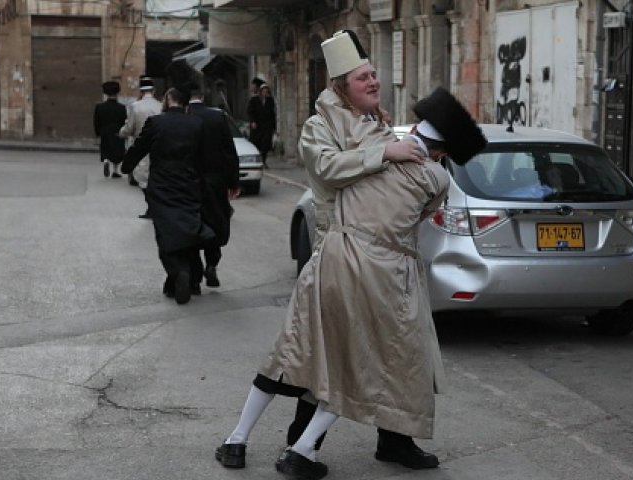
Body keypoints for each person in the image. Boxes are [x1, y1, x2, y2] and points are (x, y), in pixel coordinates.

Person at [214, 30, 487, 480]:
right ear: (343, 84)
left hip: (372, 257)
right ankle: (300, 447)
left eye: (375, 73)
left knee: (375, 355)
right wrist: (389, 151)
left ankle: (382, 439)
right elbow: (326, 170)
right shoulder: (323, 126)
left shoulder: (376, 123)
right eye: (364, 77)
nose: (374, 82)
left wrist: (392, 147)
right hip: (343, 250)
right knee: (330, 357)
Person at [120, 87, 216, 305]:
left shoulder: (156, 123)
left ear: (167, 101)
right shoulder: (197, 124)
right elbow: (205, 158)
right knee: (188, 228)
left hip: (162, 186)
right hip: (190, 185)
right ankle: (190, 278)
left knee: (166, 233)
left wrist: (126, 167)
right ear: (186, 104)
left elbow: (138, 148)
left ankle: (178, 272)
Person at [187, 88, 241, 288]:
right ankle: (211, 263)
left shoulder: (182, 116)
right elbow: (229, 151)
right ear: (203, 96)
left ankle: (195, 273)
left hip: (189, 182)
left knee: (191, 225)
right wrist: (233, 182)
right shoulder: (217, 117)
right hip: (215, 181)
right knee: (215, 222)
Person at [119, 76, 162, 218]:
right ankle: (155, 207)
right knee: (157, 177)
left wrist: (122, 133)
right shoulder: (161, 106)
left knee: (143, 179)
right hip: (159, 147)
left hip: (141, 146)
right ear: (154, 90)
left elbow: (129, 128)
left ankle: (152, 207)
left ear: (141, 91)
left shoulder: (135, 107)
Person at [93, 81, 127, 179]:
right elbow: (124, 121)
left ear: (105, 93)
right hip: (117, 131)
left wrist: (98, 133)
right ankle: (115, 171)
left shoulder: (99, 107)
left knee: (105, 149)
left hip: (104, 131)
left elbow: (96, 121)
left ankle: (106, 161)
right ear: (117, 93)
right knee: (117, 151)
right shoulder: (121, 108)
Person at [246, 82, 276, 168]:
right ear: (260, 91)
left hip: (267, 126)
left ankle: (263, 161)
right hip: (257, 126)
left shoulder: (270, 100)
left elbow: (272, 114)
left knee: (265, 144)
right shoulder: (254, 100)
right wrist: (252, 122)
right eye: (263, 91)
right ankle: (257, 160)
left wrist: (274, 127)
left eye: (266, 92)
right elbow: (250, 112)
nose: (265, 93)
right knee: (257, 143)